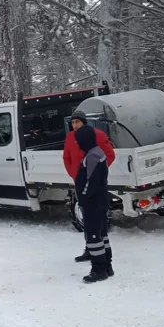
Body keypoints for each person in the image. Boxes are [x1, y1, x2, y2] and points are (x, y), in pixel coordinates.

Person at [64, 110, 116, 263]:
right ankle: (90, 249)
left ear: (84, 122)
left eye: (77, 122)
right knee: (87, 218)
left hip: (94, 186)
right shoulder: (70, 137)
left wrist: (97, 174)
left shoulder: (97, 135)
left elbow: (109, 155)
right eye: (72, 122)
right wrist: (75, 174)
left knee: (97, 219)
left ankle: (102, 253)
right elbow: (66, 157)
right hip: (80, 183)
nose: (74, 125)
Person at [74, 125, 113, 283]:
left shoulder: (93, 156)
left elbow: (92, 182)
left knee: (94, 237)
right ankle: (107, 266)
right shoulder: (95, 153)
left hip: (93, 203)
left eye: (79, 141)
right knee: (102, 236)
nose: (78, 144)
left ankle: (99, 270)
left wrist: (83, 196)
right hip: (98, 201)